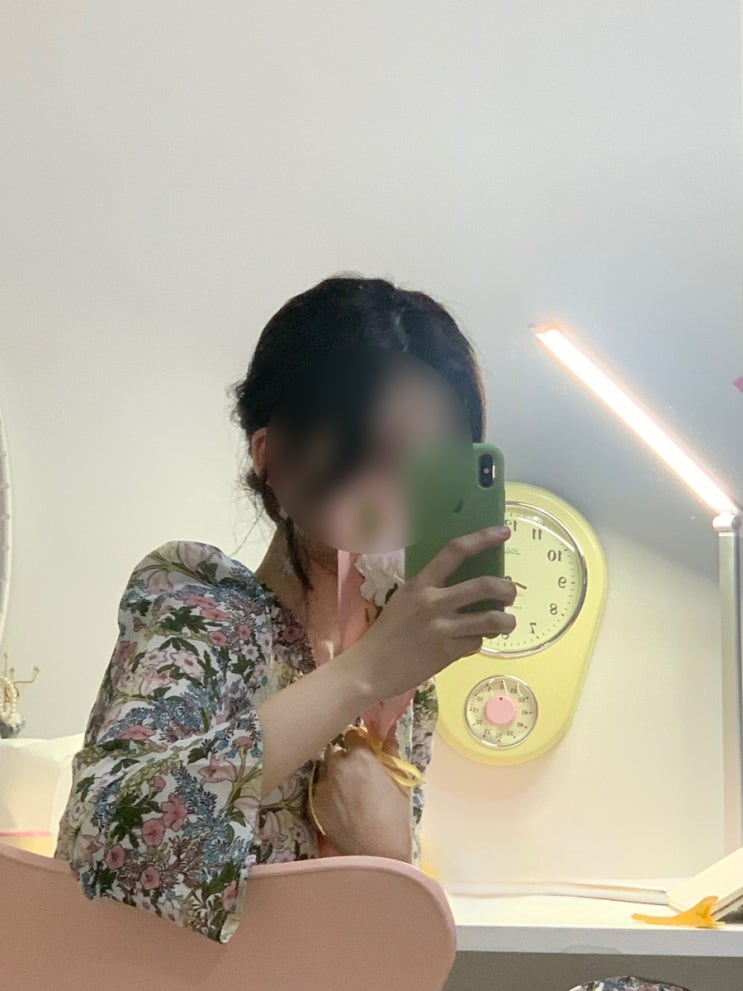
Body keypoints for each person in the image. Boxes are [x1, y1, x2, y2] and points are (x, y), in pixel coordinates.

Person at [54, 274, 517, 942]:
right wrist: (362, 672)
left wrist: (389, 855)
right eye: (372, 448)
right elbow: (103, 837)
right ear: (270, 455)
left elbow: (370, 932)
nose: (400, 486)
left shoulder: (403, 681)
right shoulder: (200, 607)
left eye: (435, 462)